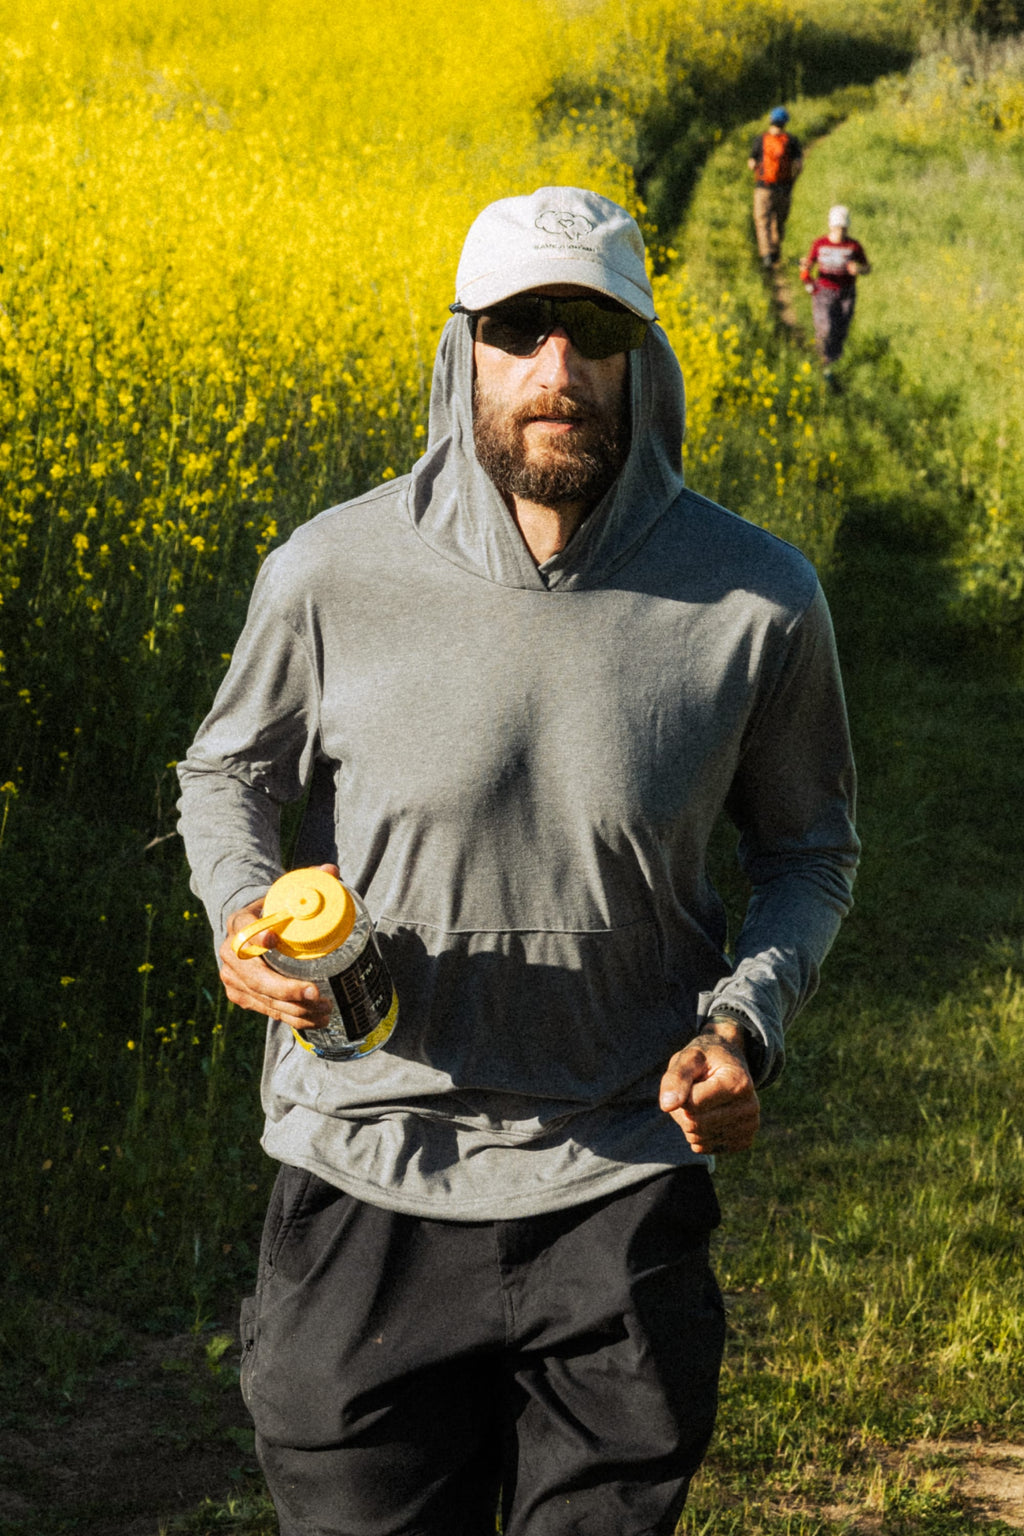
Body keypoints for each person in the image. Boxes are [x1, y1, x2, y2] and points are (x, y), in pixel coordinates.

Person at [177, 185, 859, 1536]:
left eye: (590, 331)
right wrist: (240, 907)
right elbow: (230, 771)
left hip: (617, 1178)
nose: (556, 369)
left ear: (639, 361)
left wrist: (745, 1023)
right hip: (367, 1159)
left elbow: (811, 849)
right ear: (463, 351)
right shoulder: (331, 571)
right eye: (520, 328)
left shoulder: (759, 598)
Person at [800, 204, 872, 391]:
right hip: (824, 293)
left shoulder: (853, 246)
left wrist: (859, 269)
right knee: (825, 328)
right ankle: (822, 365)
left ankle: (834, 365)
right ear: (831, 226)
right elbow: (808, 265)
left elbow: (867, 267)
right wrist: (807, 277)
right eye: (837, 228)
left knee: (841, 330)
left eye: (843, 228)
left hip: (847, 293)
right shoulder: (820, 244)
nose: (840, 232)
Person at [747, 106, 804, 268]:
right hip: (784, 188)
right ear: (785, 123)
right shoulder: (791, 141)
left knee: (762, 221)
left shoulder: (761, 140)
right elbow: (799, 165)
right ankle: (776, 252)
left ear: (771, 120)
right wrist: (792, 180)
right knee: (778, 222)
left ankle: (766, 256)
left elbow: (751, 164)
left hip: (763, 187)